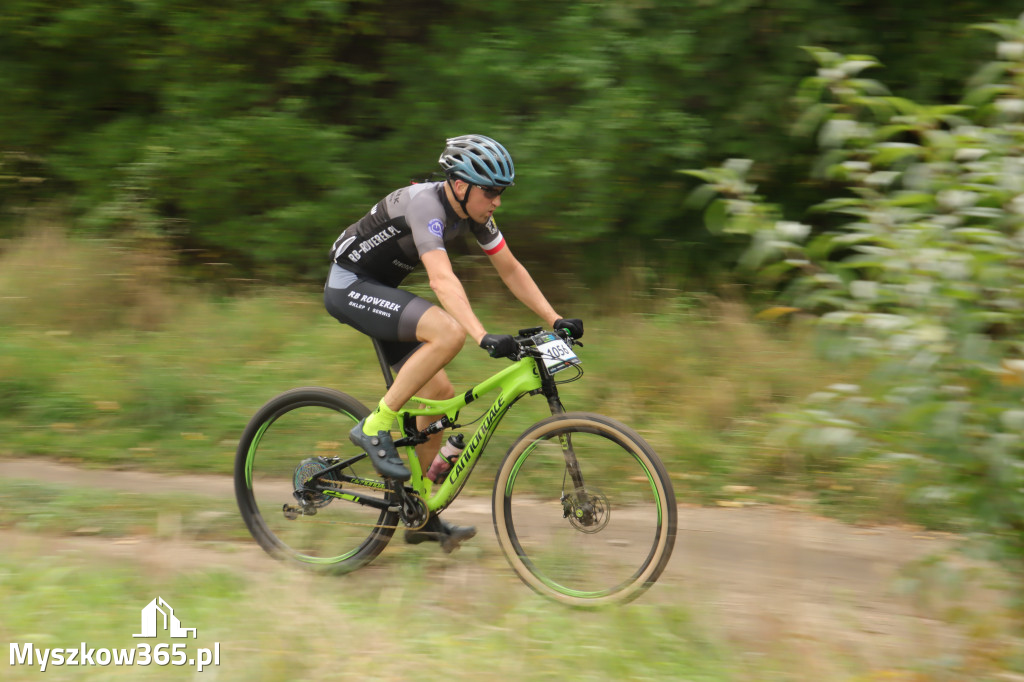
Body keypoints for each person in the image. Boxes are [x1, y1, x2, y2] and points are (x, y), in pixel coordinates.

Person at [324, 134, 583, 551]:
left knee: (437, 396)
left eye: (502, 192)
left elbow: (511, 269)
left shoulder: (475, 215)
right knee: (449, 332)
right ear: (460, 185)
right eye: (491, 191)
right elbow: (442, 279)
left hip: (381, 288)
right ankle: (374, 426)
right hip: (350, 285)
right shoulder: (426, 204)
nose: (497, 201)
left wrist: (554, 318)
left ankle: (423, 514)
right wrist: (480, 335)